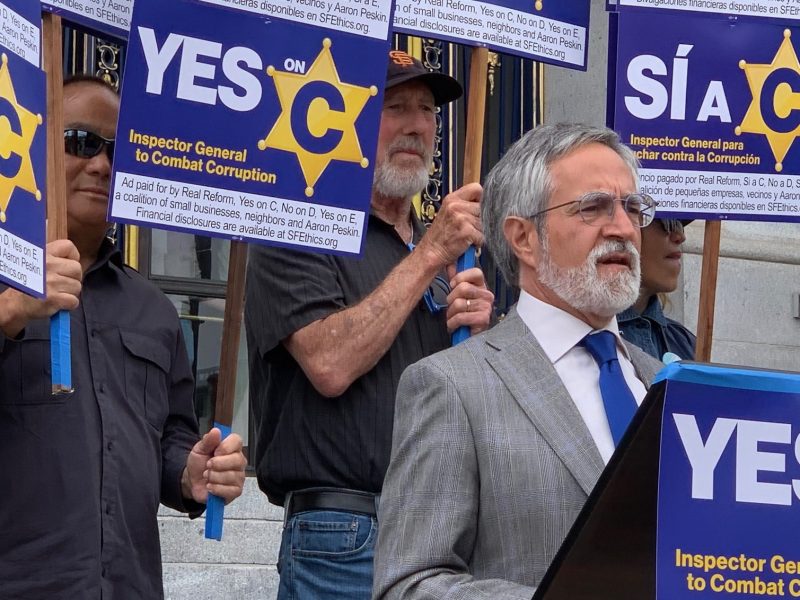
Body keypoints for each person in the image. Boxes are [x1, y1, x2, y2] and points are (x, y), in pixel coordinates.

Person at [372, 123, 664, 599]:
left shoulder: (664, 386)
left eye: (633, 208)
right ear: (523, 238)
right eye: (593, 207)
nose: (624, 228)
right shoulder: (453, 387)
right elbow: (408, 585)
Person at [245, 50, 493, 599]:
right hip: (344, 534)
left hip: (440, 532)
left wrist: (479, 339)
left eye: (427, 110)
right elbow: (329, 364)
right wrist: (429, 255)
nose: (416, 125)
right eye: (395, 105)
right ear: (346, 120)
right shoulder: (300, 226)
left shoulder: (451, 253)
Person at [0, 75, 247, 598]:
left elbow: (168, 439)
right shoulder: (7, 281)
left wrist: (191, 472)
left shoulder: (153, 310)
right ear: (38, 148)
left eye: (117, 149)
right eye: (81, 142)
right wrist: (14, 308)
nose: (101, 164)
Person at [617, 217, 696, 360]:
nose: (680, 236)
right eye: (667, 223)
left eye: (680, 226)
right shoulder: (580, 339)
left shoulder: (685, 343)